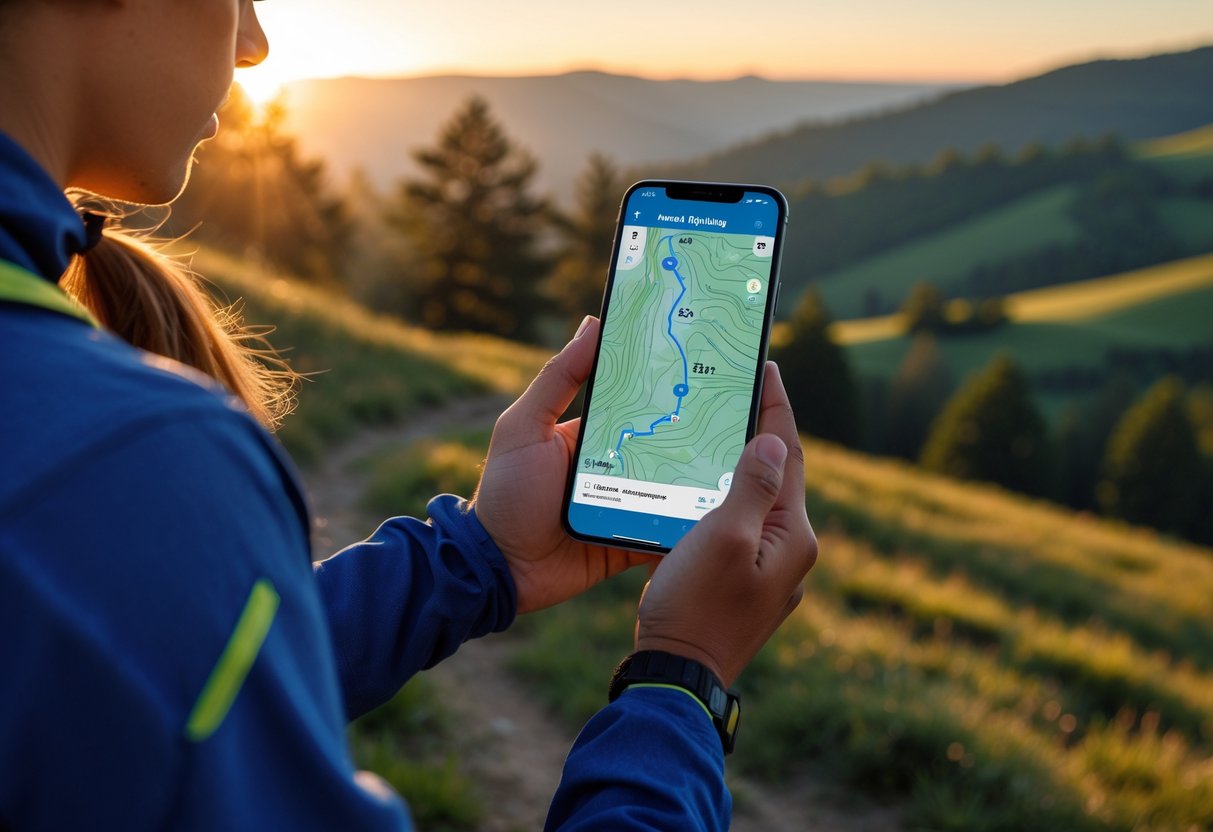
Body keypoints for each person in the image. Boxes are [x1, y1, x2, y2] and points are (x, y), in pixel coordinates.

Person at [0, 1, 817, 829]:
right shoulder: (127, 462)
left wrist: (479, 558)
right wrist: (683, 679)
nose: (254, 43)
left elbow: (140, 686)